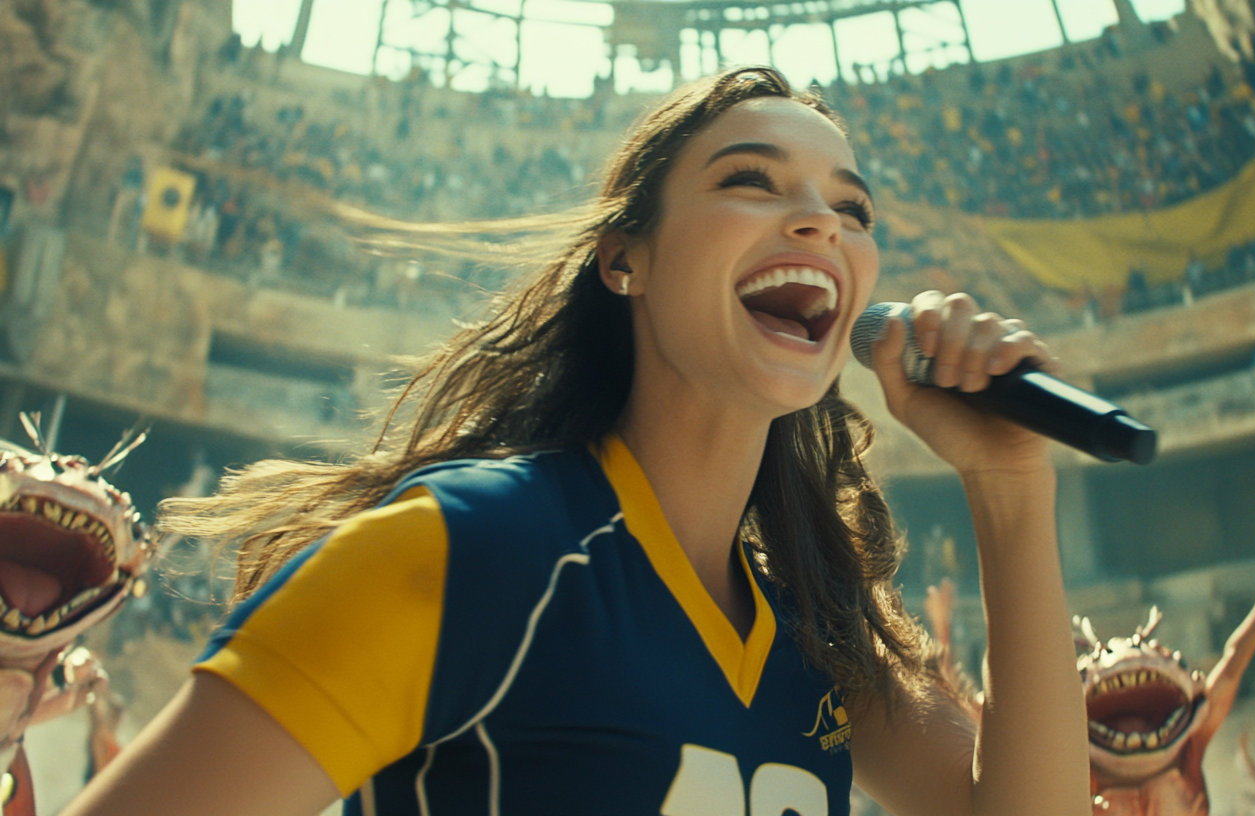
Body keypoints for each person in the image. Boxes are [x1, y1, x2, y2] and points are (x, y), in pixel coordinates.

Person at [61, 67, 1088, 816]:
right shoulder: (467, 551)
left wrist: (1009, 486)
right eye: (750, 180)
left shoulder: (812, 637)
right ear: (622, 260)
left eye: (850, 206)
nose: (820, 222)